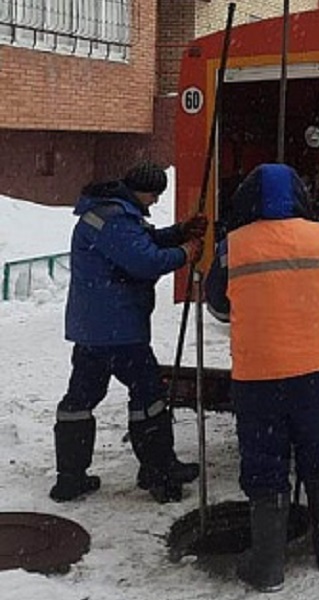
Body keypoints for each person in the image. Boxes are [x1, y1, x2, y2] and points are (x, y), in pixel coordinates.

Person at [205, 163, 319, 593]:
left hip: (258, 379)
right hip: (315, 372)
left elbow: (217, 307)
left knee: (265, 465)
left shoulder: (232, 247)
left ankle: (268, 566)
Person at [51, 161, 206, 504]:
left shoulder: (109, 213)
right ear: (142, 191)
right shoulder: (115, 219)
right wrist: (185, 252)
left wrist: (179, 230)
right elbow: (144, 260)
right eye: (153, 195)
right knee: (149, 397)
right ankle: (159, 474)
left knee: (80, 399)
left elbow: (142, 239)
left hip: (93, 329)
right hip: (118, 331)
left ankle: (70, 477)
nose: (153, 202)